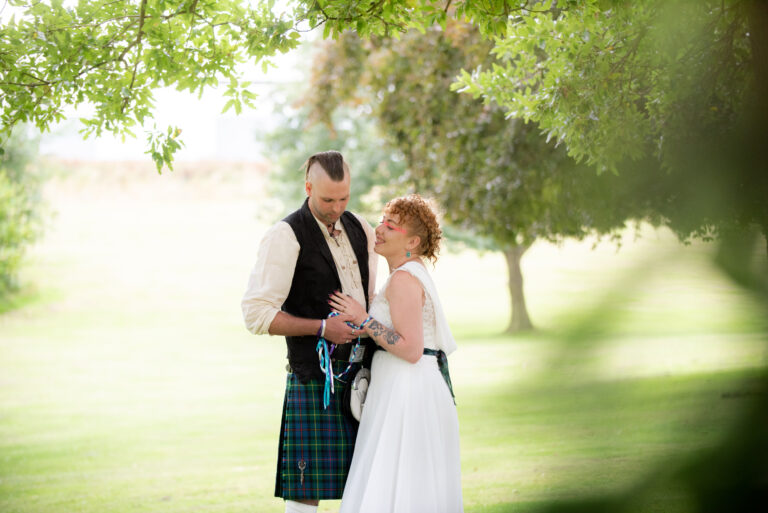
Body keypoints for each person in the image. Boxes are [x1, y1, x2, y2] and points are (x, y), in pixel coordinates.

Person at [241, 150, 377, 513]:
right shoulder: (285, 236)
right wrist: (322, 327)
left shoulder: (361, 228)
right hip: (315, 379)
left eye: (344, 198)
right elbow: (255, 314)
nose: (337, 208)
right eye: (327, 199)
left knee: (369, 481)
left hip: (368, 377)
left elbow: (371, 298)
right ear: (307, 188)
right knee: (305, 490)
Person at [329, 194, 463, 513]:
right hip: (406, 387)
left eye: (392, 226)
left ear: (413, 241)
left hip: (408, 391)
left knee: (399, 484)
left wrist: (364, 319)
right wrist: (364, 325)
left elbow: (410, 348)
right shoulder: (408, 273)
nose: (381, 229)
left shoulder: (404, 278)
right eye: (382, 221)